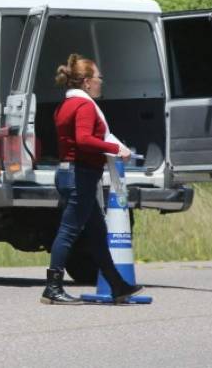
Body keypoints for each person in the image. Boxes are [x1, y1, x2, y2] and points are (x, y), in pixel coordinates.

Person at [41, 53, 144, 305]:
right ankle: (52, 288)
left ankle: (117, 285)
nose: (101, 82)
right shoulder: (85, 106)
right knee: (68, 231)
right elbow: (84, 139)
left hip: (70, 172)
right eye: (99, 77)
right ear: (86, 82)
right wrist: (115, 149)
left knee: (98, 233)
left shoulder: (65, 105)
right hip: (81, 175)